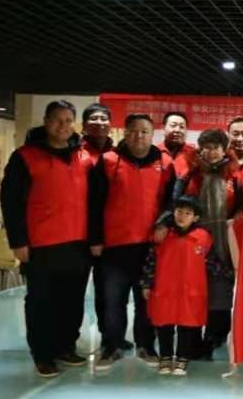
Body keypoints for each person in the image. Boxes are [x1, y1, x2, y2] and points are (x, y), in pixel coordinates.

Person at [0, 100, 93, 378]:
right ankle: (42, 354)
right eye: (57, 120)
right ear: (45, 121)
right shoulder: (25, 156)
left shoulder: (84, 157)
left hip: (78, 243)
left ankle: (66, 346)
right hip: (40, 245)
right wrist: (18, 241)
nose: (63, 126)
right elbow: (10, 201)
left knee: (72, 300)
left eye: (68, 120)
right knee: (41, 302)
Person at [88, 113, 175, 370]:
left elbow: (171, 201)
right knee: (112, 300)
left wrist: (164, 224)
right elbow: (94, 203)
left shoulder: (165, 163)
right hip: (113, 246)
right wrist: (95, 238)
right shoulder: (108, 161)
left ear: (153, 134)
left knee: (146, 301)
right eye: (134, 131)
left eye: (144, 131)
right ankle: (111, 345)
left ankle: (146, 345)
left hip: (149, 247)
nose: (139, 136)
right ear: (124, 133)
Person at [174, 128, 243, 359]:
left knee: (221, 293)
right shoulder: (191, 174)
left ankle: (214, 338)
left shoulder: (234, 175)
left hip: (223, 243)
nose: (211, 152)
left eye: (216, 147)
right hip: (194, 241)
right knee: (194, 291)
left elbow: (242, 205)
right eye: (206, 147)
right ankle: (192, 337)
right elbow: (176, 203)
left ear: (224, 150)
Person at [141, 196, 211, 377]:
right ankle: (165, 356)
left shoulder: (203, 237)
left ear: (195, 218)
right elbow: (151, 260)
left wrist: (229, 274)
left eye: (188, 213)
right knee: (164, 324)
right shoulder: (163, 235)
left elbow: (211, 262)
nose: (182, 216)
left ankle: (182, 357)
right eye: (179, 211)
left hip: (190, 290)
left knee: (186, 325)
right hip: (165, 288)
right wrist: (147, 283)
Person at [78, 103, 116, 349]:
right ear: (84, 125)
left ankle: (109, 336)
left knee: (106, 290)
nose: (99, 123)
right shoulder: (75, 152)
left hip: (108, 233)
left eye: (104, 118)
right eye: (94, 118)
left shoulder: (117, 154)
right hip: (78, 232)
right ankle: (66, 341)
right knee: (74, 290)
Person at [158, 111, 198, 183]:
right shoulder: (154, 152)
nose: (177, 130)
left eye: (182, 127)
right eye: (173, 126)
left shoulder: (195, 154)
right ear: (163, 128)